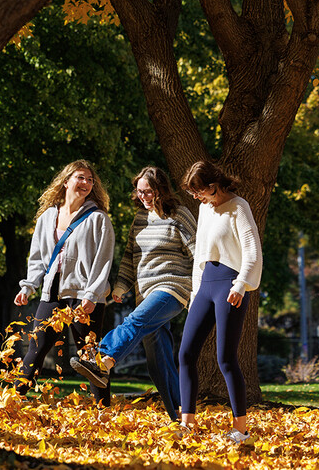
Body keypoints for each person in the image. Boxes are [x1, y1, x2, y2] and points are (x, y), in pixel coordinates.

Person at [69, 166, 196, 422]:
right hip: (145, 292)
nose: (144, 197)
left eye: (149, 192)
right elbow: (130, 255)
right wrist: (120, 286)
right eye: (140, 192)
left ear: (161, 189)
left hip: (173, 287)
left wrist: (198, 292)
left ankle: (101, 360)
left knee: (134, 322)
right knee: (158, 361)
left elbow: (198, 254)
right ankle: (182, 418)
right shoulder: (140, 218)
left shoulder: (179, 215)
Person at [14, 160, 115, 405]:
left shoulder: (98, 219)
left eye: (90, 180)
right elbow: (38, 257)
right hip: (52, 293)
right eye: (81, 177)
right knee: (36, 347)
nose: (86, 183)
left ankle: (103, 409)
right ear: (66, 181)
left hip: (84, 295)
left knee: (89, 355)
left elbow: (104, 260)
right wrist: (28, 286)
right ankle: (13, 399)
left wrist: (92, 295)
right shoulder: (48, 217)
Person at [175, 160, 263, 443]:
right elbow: (201, 253)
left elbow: (252, 253)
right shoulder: (204, 209)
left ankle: (241, 429)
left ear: (213, 187)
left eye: (199, 192)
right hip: (205, 285)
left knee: (226, 358)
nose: (197, 197)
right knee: (186, 353)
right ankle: (187, 425)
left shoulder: (239, 207)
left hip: (229, 286)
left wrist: (240, 286)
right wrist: (195, 294)